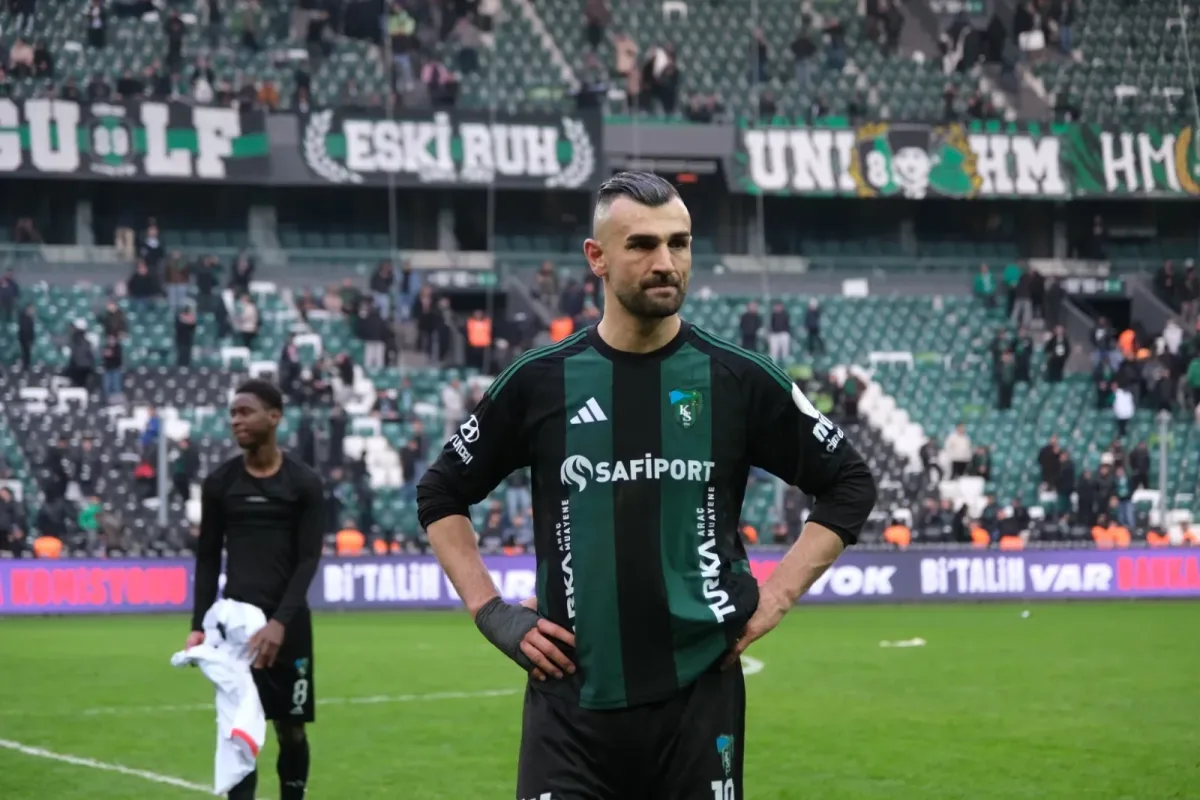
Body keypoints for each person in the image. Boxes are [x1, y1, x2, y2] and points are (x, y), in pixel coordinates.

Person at [416, 172, 877, 800]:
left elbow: (849, 481)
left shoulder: (736, 379)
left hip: (699, 701)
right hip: (569, 703)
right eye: (641, 244)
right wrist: (490, 611)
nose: (666, 262)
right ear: (597, 257)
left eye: (678, 242)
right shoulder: (539, 381)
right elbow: (441, 491)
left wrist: (776, 598)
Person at [188, 379, 325, 800]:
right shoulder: (220, 483)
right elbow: (208, 557)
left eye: (245, 411)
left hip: (289, 626)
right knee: (238, 731)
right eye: (232, 413)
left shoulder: (304, 483)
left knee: (291, 730)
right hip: (237, 629)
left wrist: (280, 622)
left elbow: (308, 559)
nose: (236, 420)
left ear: (274, 417)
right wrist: (198, 625)